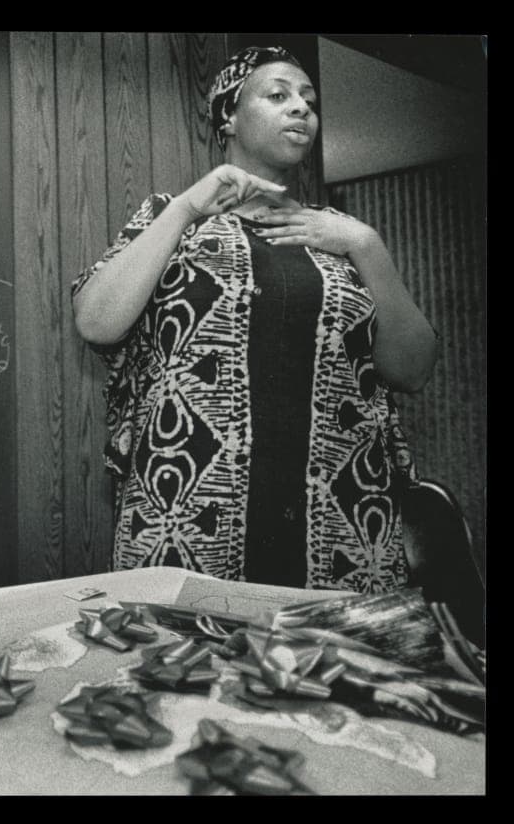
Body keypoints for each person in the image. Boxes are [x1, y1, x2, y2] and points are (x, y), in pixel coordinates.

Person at [71, 46, 438, 594]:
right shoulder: (174, 219)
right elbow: (97, 322)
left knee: (333, 677)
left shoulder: (341, 235)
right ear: (229, 116)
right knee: (185, 674)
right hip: (190, 518)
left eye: (309, 102)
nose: (301, 110)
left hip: (340, 528)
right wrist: (185, 209)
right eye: (278, 95)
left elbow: (411, 368)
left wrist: (367, 245)